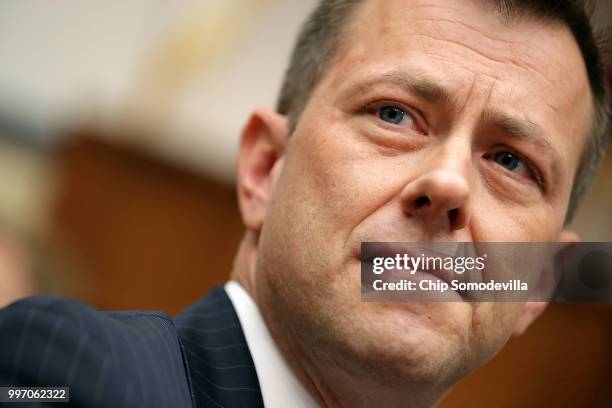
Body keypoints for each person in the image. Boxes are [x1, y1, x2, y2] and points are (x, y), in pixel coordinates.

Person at [0, 0, 610, 407]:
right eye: (394, 114)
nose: (448, 184)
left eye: (511, 162)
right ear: (265, 168)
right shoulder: (67, 375)